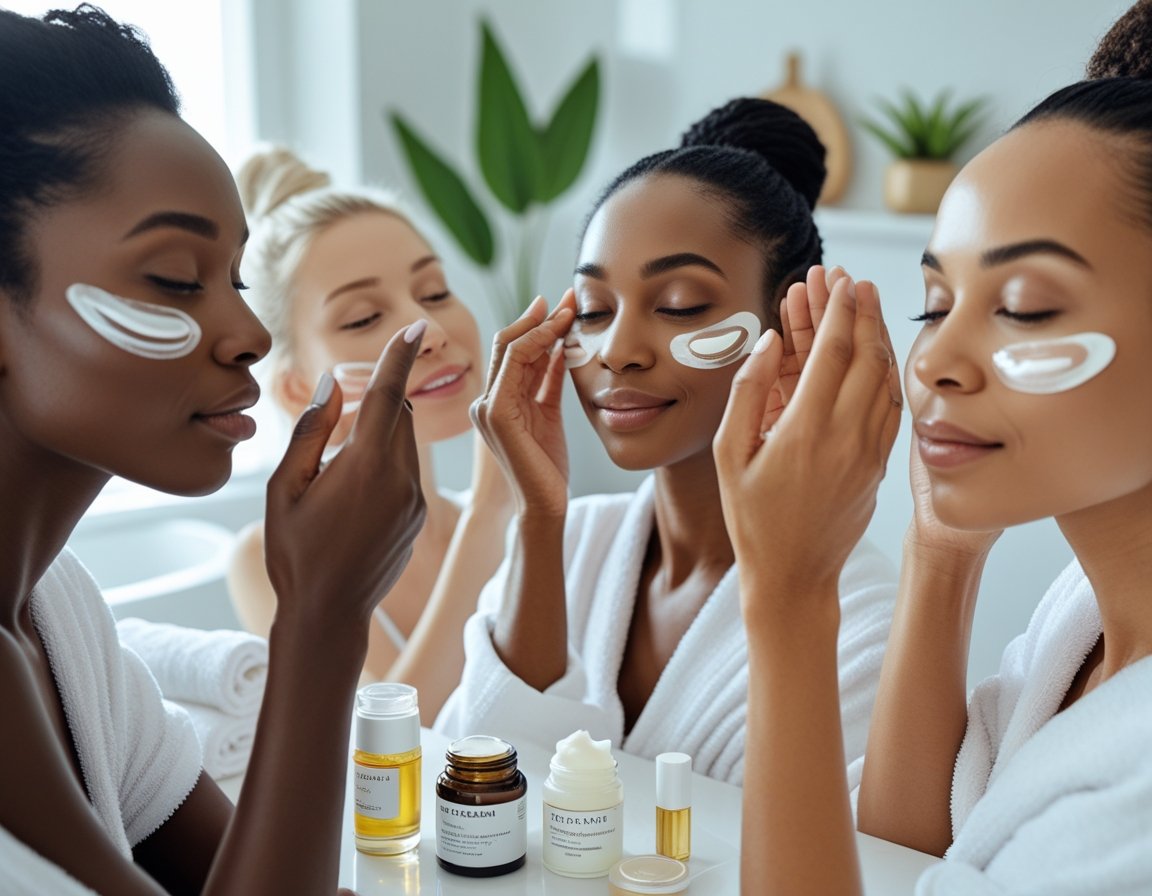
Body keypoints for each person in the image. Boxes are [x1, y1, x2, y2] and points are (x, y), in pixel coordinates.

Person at [720, 2, 1152, 892]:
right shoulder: (1083, 621)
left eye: (1025, 307)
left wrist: (791, 596)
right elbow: (908, 852)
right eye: (934, 303)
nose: (936, 361)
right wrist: (942, 547)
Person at [0, 7, 425, 894]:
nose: (248, 334)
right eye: (173, 280)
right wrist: (320, 620)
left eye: (233, 279)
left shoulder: (57, 610)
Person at [437, 97, 899, 783]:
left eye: (681, 305)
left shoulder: (866, 625)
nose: (616, 350)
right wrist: (538, 521)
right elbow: (478, 795)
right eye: (592, 310)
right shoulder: (570, 542)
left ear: (792, 325)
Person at [226, 147, 511, 721]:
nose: (428, 330)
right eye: (362, 318)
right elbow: (391, 739)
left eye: (434, 293)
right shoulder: (268, 560)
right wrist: (491, 514)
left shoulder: (533, 525)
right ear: (294, 387)